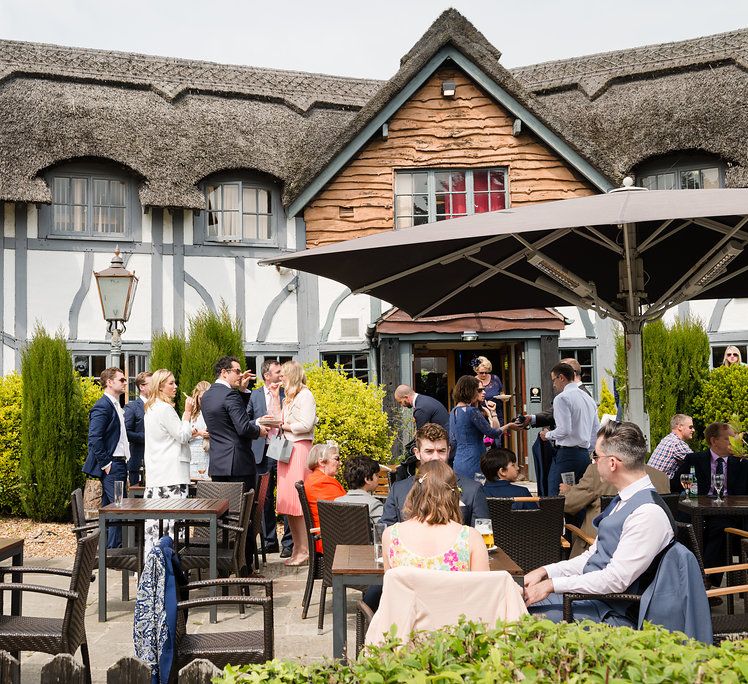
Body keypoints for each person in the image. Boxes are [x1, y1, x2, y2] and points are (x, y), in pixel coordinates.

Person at [524, 421, 676, 626]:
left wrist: (552, 585)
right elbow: (591, 557)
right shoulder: (626, 501)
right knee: (513, 602)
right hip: (593, 600)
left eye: (596, 456)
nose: (593, 462)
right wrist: (546, 572)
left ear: (612, 463)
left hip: (615, 613)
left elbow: (615, 580)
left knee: (519, 615)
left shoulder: (647, 513)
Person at [382, 460, 489, 572]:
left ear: (414, 492)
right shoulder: (471, 538)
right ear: (453, 494)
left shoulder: (390, 536)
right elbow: (482, 587)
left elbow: (390, 586)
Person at [676, 422, 748, 587]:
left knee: (720, 527)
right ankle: (687, 578)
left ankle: (706, 582)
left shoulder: (742, 463)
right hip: (699, 511)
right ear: (714, 441)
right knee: (685, 527)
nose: (733, 442)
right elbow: (676, 484)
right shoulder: (694, 459)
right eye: (728, 439)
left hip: (732, 514)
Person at [381, 423, 489, 527]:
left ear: (448, 451)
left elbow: (482, 534)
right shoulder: (399, 489)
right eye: (429, 451)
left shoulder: (472, 490)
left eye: (441, 451)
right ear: (417, 453)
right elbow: (386, 530)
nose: (436, 457)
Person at [562, 459, 670, 557]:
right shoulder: (662, 477)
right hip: (653, 553)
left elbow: (568, 504)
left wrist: (569, 491)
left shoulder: (596, 472)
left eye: (598, 455)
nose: (596, 460)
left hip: (599, 551)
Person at [142, 369, 195, 554]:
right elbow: (182, 436)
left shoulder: (151, 408)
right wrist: (188, 413)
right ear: (160, 386)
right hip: (171, 476)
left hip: (158, 474)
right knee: (172, 526)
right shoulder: (165, 409)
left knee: (156, 527)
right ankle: (171, 568)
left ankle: (154, 566)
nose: (175, 386)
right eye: (171, 383)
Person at [201, 356, 267, 494]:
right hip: (238, 464)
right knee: (243, 511)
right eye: (237, 371)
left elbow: (230, 420)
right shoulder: (230, 395)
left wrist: (242, 392)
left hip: (218, 464)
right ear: (224, 372)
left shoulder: (206, 396)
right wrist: (259, 431)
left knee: (222, 511)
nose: (241, 375)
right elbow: (243, 427)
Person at [83, 367, 130, 548]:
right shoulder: (102, 406)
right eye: (121, 380)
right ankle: (113, 550)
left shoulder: (116, 405)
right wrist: (106, 463)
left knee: (110, 507)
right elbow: (94, 438)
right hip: (113, 465)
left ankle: (105, 549)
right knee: (118, 508)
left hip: (119, 463)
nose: (125, 382)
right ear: (109, 382)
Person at [249, 359, 293, 558]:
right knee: (264, 497)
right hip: (262, 448)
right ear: (267, 375)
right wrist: (259, 423)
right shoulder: (255, 395)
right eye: (277, 372)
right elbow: (246, 419)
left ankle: (289, 543)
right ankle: (269, 541)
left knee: (285, 494)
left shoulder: (288, 393)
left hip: (282, 446)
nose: (280, 375)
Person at [277, 359, 317, 566]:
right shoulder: (288, 398)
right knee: (288, 503)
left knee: (298, 501)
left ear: (291, 375)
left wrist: (285, 425)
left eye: (282, 375)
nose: (279, 378)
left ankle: (306, 549)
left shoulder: (305, 395)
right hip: (285, 450)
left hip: (299, 449)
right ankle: (297, 547)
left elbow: (306, 424)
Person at [542, 363, 599, 495]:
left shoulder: (562, 398)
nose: (553, 384)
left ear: (561, 377)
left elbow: (564, 430)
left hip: (567, 455)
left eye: (553, 380)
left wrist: (547, 435)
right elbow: (595, 431)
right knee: (579, 497)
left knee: (556, 497)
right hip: (584, 455)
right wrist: (587, 451)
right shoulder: (588, 399)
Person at [448, 375, 503, 480]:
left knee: (464, 491)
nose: (484, 392)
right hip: (475, 459)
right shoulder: (472, 411)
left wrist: (493, 413)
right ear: (470, 391)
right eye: (480, 390)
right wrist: (509, 426)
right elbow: (494, 433)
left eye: (484, 389)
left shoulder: (454, 411)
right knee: (478, 489)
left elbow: (453, 440)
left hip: (460, 460)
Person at [304, 441, 347, 556]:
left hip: (326, 536)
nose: (340, 463)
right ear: (321, 462)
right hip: (331, 539)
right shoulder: (322, 482)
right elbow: (347, 510)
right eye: (336, 459)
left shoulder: (313, 478)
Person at [647, 414, 695, 491]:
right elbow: (697, 462)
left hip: (650, 487)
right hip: (658, 490)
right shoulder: (677, 443)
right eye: (690, 427)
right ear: (680, 427)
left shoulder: (668, 439)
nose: (693, 430)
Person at [335, 456, 384, 523]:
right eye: (377, 475)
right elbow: (381, 529)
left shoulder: (337, 501)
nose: (379, 478)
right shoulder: (374, 504)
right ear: (367, 479)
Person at [124, 371, 151, 486]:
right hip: (139, 462)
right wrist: (147, 437)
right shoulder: (132, 407)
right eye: (153, 383)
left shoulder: (160, 406)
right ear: (142, 387)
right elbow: (126, 433)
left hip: (158, 463)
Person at [187, 381, 211, 480]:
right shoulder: (191, 414)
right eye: (201, 398)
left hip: (209, 453)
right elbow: (181, 434)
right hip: (193, 453)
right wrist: (199, 433)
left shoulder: (214, 412)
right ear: (196, 397)